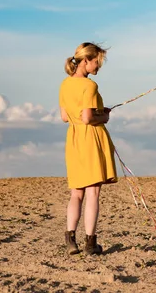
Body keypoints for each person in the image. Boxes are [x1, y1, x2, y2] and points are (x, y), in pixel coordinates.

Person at [59, 42, 117, 256]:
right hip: (90, 139)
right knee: (93, 192)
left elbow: (65, 117)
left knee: (76, 194)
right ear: (86, 61)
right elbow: (88, 118)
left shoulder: (65, 84)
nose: (98, 67)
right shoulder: (89, 86)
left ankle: (70, 239)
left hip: (73, 140)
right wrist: (105, 116)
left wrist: (97, 111)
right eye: (96, 62)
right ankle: (90, 244)